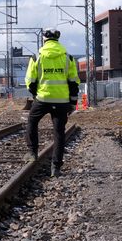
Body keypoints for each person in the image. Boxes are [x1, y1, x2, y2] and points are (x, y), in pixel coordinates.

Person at [23, 27, 80, 177]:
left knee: (32, 122)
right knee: (59, 133)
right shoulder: (68, 58)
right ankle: (56, 167)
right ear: (57, 39)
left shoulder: (37, 57)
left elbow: (30, 81)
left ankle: (32, 152)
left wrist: (37, 94)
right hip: (62, 101)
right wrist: (73, 102)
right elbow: (74, 82)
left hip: (42, 99)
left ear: (44, 39)